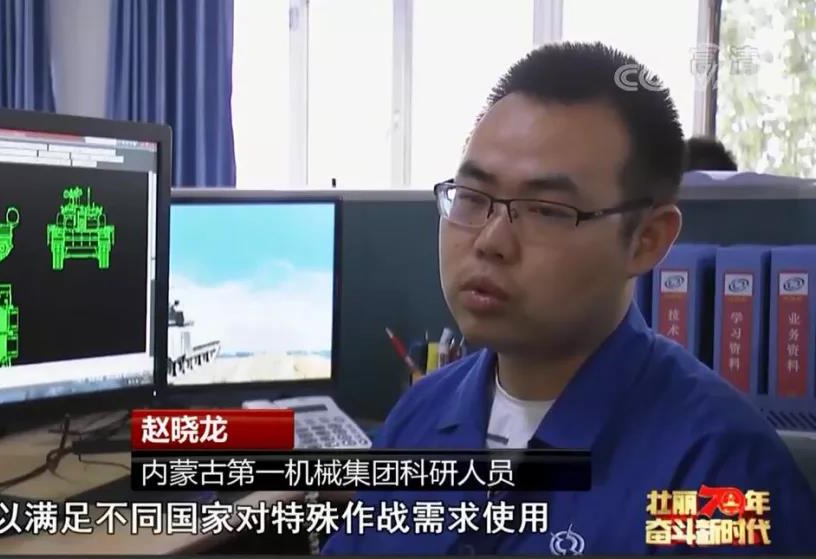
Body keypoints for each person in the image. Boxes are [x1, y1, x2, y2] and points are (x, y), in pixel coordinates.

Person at [322, 42, 816, 555]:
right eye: (471, 197)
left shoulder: (717, 474)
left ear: (647, 240)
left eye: (546, 210)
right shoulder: (418, 418)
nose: (491, 241)